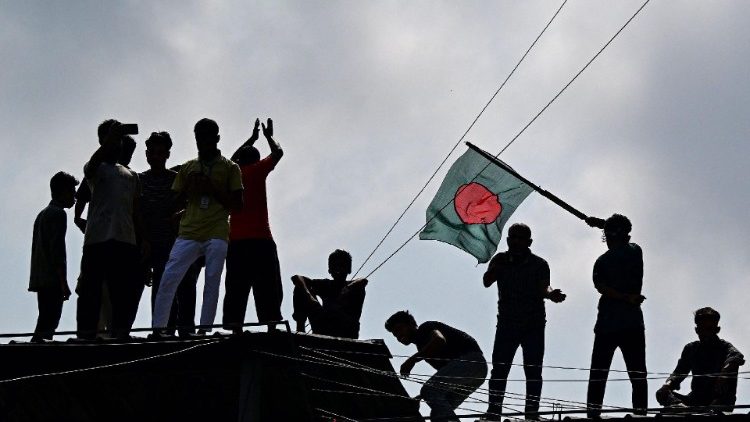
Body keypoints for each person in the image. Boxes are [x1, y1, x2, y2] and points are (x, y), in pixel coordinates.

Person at [152, 118, 243, 334]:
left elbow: (238, 205)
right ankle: (158, 329)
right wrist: (188, 190)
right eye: (199, 138)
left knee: (212, 280)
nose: (202, 143)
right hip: (188, 232)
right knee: (168, 278)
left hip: (217, 231)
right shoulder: (187, 168)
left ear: (217, 139)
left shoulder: (231, 167)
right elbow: (170, 205)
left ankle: (203, 330)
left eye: (207, 138)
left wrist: (212, 188)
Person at [483, 223, 566, 420]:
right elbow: (487, 281)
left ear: (529, 242)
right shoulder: (501, 259)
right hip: (507, 323)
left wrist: (551, 294)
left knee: (533, 370)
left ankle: (532, 413)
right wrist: (500, 266)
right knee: (500, 370)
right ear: (508, 240)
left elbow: (543, 288)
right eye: (513, 238)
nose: (517, 242)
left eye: (521, 238)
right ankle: (494, 412)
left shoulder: (539, 264)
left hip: (533, 324)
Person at [77, 120, 144, 339]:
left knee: (122, 291)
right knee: (91, 291)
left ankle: (120, 332)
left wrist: (143, 242)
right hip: (97, 238)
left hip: (125, 240)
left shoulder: (131, 175)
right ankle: (86, 334)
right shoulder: (94, 169)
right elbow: (94, 162)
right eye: (112, 138)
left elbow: (135, 211)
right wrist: (110, 139)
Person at [222, 118, 284, 332]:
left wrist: (251, 138)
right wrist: (268, 137)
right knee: (267, 286)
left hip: (237, 241)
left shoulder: (234, 173)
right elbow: (278, 152)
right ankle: (272, 326)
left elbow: (230, 160)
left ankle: (235, 326)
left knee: (236, 287)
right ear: (257, 160)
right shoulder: (258, 170)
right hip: (261, 240)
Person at [585, 214, 647, 417]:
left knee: (598, 374)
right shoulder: (635, 251)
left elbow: (601, 288)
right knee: (637, 374)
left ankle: (593, 414)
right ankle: (641, 413)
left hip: (608, 324)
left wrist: (623, 297)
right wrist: (604, 225)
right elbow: (621, 236)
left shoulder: (602, 262)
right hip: (631, 323)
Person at [140, 131, 200, 336]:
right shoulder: (139, 181)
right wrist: (144, 241)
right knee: (160, 291)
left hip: (178, 245)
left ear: (167, 155)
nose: (156, 157)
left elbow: (193, 206)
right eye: (152, 152)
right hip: (151, 247)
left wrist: (179, 215)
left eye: (160, 152)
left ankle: (183, 333)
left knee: (183, 290)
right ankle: (160, 332)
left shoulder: (177, 180)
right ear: (146, 154)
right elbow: (136, 214)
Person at [385, 311, 487, 422]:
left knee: (429, 390)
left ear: (411, 323)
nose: (399, 336)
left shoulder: (425, 328)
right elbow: (446, 378)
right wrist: (420, 398)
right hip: (474, 371)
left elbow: (439, 340)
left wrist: (412, 360)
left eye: (400, 329)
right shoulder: (423, 348)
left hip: (471, 362)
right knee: (438, 415)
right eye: (395, 335)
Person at [656, 307, 745, 412]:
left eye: (709, 329)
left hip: (720, 400)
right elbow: (679, 373)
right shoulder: (691, 349)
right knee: (661, 393)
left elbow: (736, 356)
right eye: (701, 329)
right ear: (696, 330)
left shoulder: (725, 347)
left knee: (733, 365)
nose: (705, 333)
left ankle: (713, 409)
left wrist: (723, 375)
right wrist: (668, 385)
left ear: (717, 330)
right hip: (695, 401)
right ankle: (680, 407)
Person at [29, 171, 78, 342]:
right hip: (51, 279)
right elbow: (58, 251)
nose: (75, 197)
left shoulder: (43, 214)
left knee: (44, 319)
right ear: (63, 192)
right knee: (49, 322)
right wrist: (63, 282)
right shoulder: (58, 214)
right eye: (72, 192)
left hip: (41, 278)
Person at [291, 249, 367, 338]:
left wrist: (346, 290)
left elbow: (363, 281)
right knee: (300, 288)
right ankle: (300, 332)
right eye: (335, 266)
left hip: (346, 331)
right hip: (323, 327)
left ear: (349, 269)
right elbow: (297, 278)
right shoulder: (326, 285)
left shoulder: (356, 287)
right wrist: (310, 297)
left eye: (342, 266)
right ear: (329, 270)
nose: (338, 269)